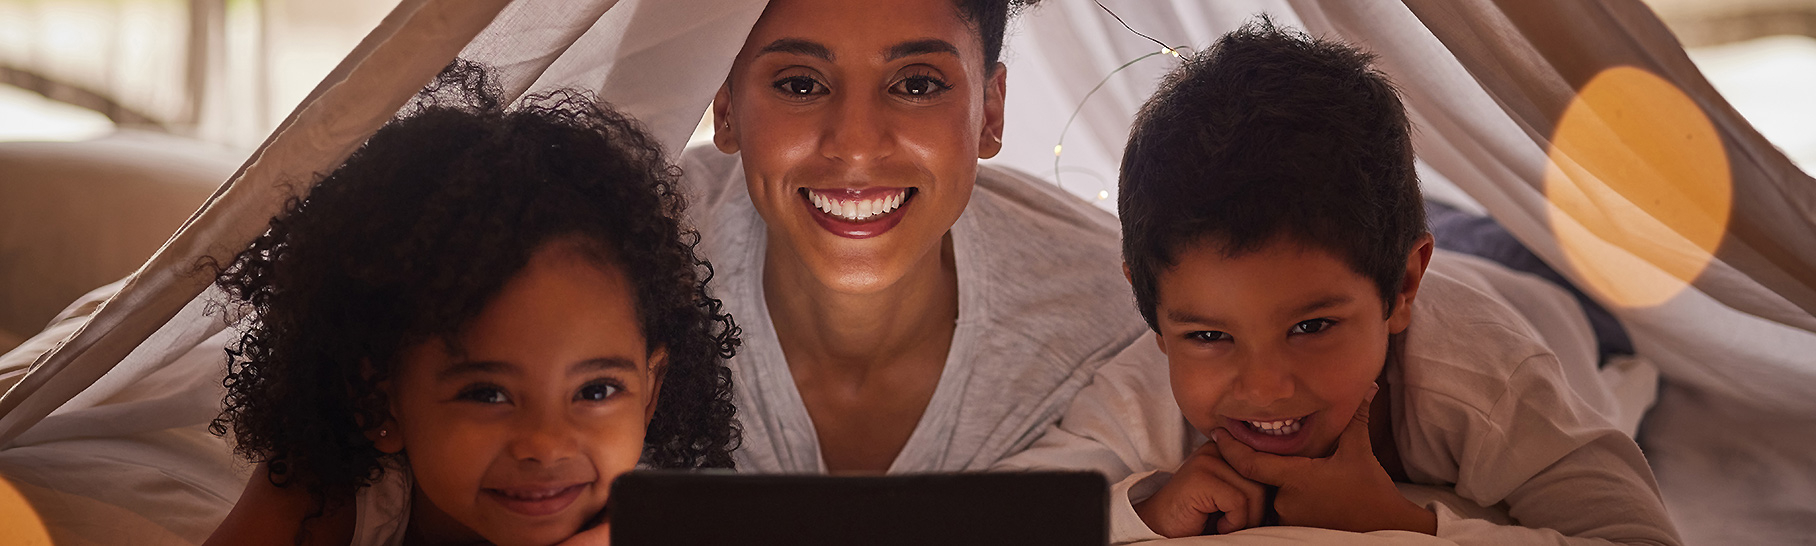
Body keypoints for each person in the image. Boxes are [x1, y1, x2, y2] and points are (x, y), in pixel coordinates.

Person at [1004, 20, 1683, 545]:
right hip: (1382, 253)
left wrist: (1398, 523)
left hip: (1539, 297)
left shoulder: (1486, 378)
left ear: (1405, 286)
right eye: (1211, 335)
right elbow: (1001, 508)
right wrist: (1146, 508)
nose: (1265, 385)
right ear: (1150, 308)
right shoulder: (1147, 385)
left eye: (1312, 327)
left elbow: (1635, 536)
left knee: (1536, 260)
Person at [202, 62, 739, 546]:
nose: (546, 445)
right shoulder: (326, 498)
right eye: (487, 394)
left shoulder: (660, 526)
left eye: (596, 390)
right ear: (379, 401)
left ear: (650, 393)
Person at [686, 0, 1160, 474]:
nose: (856, 146)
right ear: (726, 108)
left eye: (917, 85)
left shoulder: (1129, 318)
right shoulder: (634, 251)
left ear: (989, 113)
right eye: (801, 85)